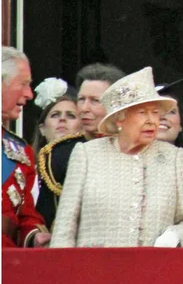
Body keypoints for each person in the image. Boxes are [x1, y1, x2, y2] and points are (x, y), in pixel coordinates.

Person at [50, 67, 183, 247]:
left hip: (154, 270)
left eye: (155, 112)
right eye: (142, 113)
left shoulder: (173, 158)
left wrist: (176, 236)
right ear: (119, 119)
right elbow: (64, 229)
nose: (151, 120)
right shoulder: (86, 155)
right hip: (94, 270)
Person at [36, 63, 125, 228]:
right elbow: (46, 217)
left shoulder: (133, 148)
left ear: (116, 104)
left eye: (95, 101)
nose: (84, 108)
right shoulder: (60, 154)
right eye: (81, 99)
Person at [2, 46, 50, 247]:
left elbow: (26, 216)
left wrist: (35, 237)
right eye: (23, 84)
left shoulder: (21, 153)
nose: (29, 94)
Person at [32, 78, 80, 155]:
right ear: (42, 128)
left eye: (71, 116)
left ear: (82, 128)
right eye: (55, 115)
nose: (62, 119)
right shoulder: (28, 166)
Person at [155, 77, 183, 151]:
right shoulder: (127, 161)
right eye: (154, 111)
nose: (162, 116)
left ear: (181, 125)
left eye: (171, 111)